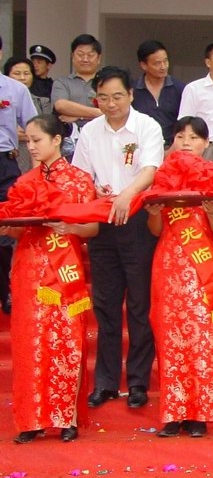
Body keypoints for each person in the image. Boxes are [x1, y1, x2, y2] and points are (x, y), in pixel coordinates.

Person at [72, 66, 164, 410]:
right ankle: (106, 382)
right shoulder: (90, 131)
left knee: (140, 305)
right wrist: (93, 192)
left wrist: (127, 195)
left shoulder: (147, 126)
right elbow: (81, 174)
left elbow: (150, 169)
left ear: (130, 95)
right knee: (106, 304)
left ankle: (138, 382)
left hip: (136, 219)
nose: (111, 104)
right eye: (104, 98)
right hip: (103, 221)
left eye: (117, 97)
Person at [1, 114, 97, 443]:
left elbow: (92, 228)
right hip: (29, 270)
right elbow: (20, 229)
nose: (31, 146)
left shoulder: (79, 181)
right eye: (28, 140)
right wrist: (9, 227)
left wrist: (70, 227)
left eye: (37, 140)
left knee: (67, 341)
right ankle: (32, 419)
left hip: (64, 270)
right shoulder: (25, 181)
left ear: (57, 140)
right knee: (31, 343)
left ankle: (66, 417)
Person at [145, 117, 213, 438]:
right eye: (180, 136)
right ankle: (174, 412)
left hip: (201, 269)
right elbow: (156, 230)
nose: (186, 142)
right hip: (168, 268)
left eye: (193, 137)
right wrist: (154, 214)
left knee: (201, 340)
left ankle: (199, 414)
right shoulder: (162, 177)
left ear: (206, 143)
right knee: (170, 340)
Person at [51, 35, 103, 146]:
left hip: (101, 137)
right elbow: (61, 105)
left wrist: (78, 116)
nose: (85, 59)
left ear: (99, 58)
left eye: (90, 55)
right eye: (80, 54)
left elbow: (115, 110)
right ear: (72, 56)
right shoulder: (62, 82)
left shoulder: (106, 82)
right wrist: (100, 113)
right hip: (69, 141)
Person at [3, 56, 50, 173]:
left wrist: (37, 172)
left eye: (26, 73)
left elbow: (36, 131)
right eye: (17, 73)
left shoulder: (19, 90)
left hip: (6, 158)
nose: (22, 77)